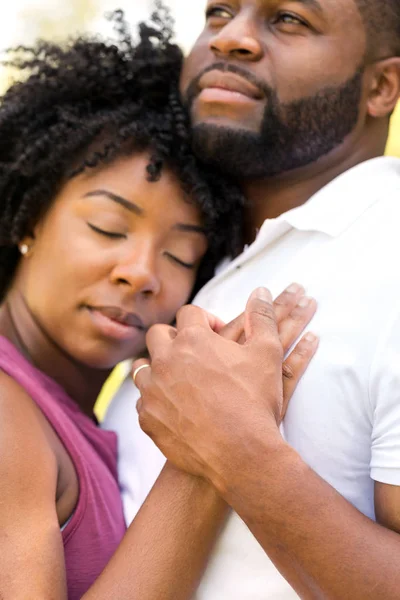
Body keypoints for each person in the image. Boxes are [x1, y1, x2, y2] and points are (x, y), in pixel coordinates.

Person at [0, 8, 318, 599]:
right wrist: (215, 445)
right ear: (30, 216)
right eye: (106, 227)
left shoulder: (55, 413)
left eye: (180, 256)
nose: (140, 274)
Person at [104, 0, 400, 598]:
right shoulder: (190, 258)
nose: (231, 38)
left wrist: (239, 453)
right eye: (218, 12)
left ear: (382, 85)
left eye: (289, 18)